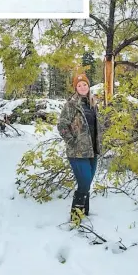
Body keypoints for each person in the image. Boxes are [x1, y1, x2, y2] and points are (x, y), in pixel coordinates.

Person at [58, 73, 102, 222]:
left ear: (88, 86)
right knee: (83, 183)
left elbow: (96, 126)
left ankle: (85, 214)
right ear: (75, 88)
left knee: (87, 183)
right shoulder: (71, 104)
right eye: (79, 85)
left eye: (85, 84)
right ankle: (75, 218)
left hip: (92, 150)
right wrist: (72, 141)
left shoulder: (93, 104)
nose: (82, 87)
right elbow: (62, 125)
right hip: (77, 152)